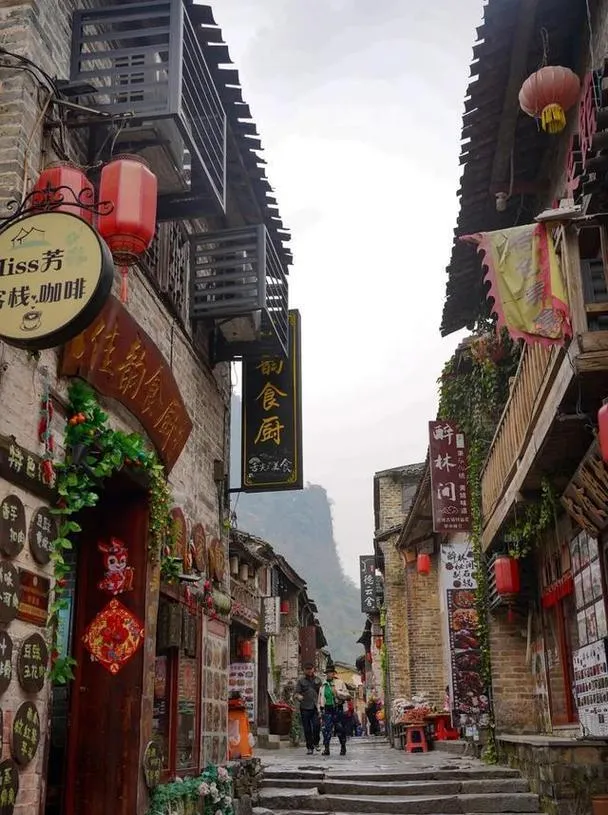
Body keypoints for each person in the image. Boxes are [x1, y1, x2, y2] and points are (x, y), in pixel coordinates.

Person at [318, 664, 350, 756]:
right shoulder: (323, 686)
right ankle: (326, 749)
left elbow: (347, 695)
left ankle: (343, 747)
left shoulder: (340, 683)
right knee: (326, 730)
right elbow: (320, 699)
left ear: (334, 673)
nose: (329, 674)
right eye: (327, 673)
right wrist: (319, 710)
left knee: (340, 729)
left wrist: (337, 692)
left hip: (338, 708)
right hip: (327, 709)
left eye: (331, 673)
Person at [295, 662, 321, 755]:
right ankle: (309, 747)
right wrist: (298, 696)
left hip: (315, 707)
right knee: (307, 729)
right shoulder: (301, 681)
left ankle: (316, 742)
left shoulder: (318, 680)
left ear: (313, 669)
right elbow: (296, 693)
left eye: (311, 669)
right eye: (307, 669)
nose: (309, 671)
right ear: (304, 670)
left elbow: (322, 692)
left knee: (317, 726)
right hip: (305, 707)